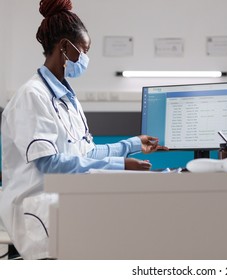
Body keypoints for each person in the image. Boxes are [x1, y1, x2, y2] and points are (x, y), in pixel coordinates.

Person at [0, 0, 168, 259]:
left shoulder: (67, 99)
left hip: (67, 201)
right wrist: (120, 166)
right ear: (65, 47)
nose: (85, 59)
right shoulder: (32, 96)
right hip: (39, 211)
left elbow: (86, 153)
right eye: (83, 50)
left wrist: (133, 144)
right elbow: (50, 163)